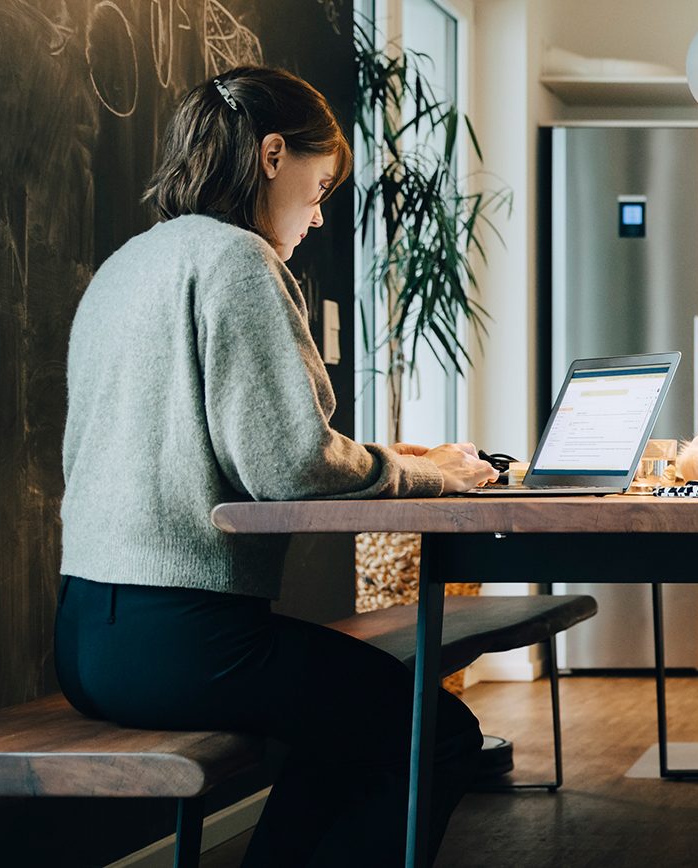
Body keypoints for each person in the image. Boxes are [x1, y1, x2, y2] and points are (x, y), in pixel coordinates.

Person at [53, 66, 500, 866]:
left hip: (88, 634)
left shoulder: (127, 266)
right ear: (270, 155)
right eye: (320, 184)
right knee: (438, 735)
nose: (321, 213)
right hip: (185, 643)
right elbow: (289, 465)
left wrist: (396, 457)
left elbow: (209, 445)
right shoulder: (238, 260)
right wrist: (443, 477)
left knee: (349, 732)